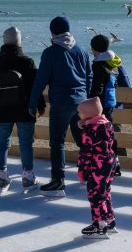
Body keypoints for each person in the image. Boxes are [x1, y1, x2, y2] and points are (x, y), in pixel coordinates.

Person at [27, 16, 92, 198]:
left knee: (57, 143)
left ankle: (58, 182)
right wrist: (85, 97)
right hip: (81, 102)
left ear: (52, 32)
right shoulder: (82, 50)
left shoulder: (50, 53)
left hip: (61, 103)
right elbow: (89, 77)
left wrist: (32, 103)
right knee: (83, 140)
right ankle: (88, 174)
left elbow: (41, 81)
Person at [0, 26, 45, 190]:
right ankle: (28, 175)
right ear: (20, 41)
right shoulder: (27, 61)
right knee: (26, 142)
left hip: (2, 109)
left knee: (2, 142)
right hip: (24, 110)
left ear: (4, 40)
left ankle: (1, 174)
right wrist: (40, 106)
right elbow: (35, 87)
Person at [75, 97, 117, 238]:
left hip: (97, 167)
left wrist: (82, 170)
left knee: (95, 194)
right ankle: (109, 220)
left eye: (80, 112)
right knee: (105, 192)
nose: (78, 115)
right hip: (109, 163)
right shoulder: (107, 125)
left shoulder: (90, 131)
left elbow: (85, 153)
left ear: (88, 114)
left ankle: (99, 225)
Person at [88, 34, 129, 177]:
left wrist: (91, 103)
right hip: (111, 103)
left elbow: (98, 87)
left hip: (101, 105)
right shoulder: (114, 63)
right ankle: (115, 163)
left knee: (99, 136)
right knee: (110, 134)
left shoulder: (98, 65)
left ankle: (103, 165)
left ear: (94, 49)